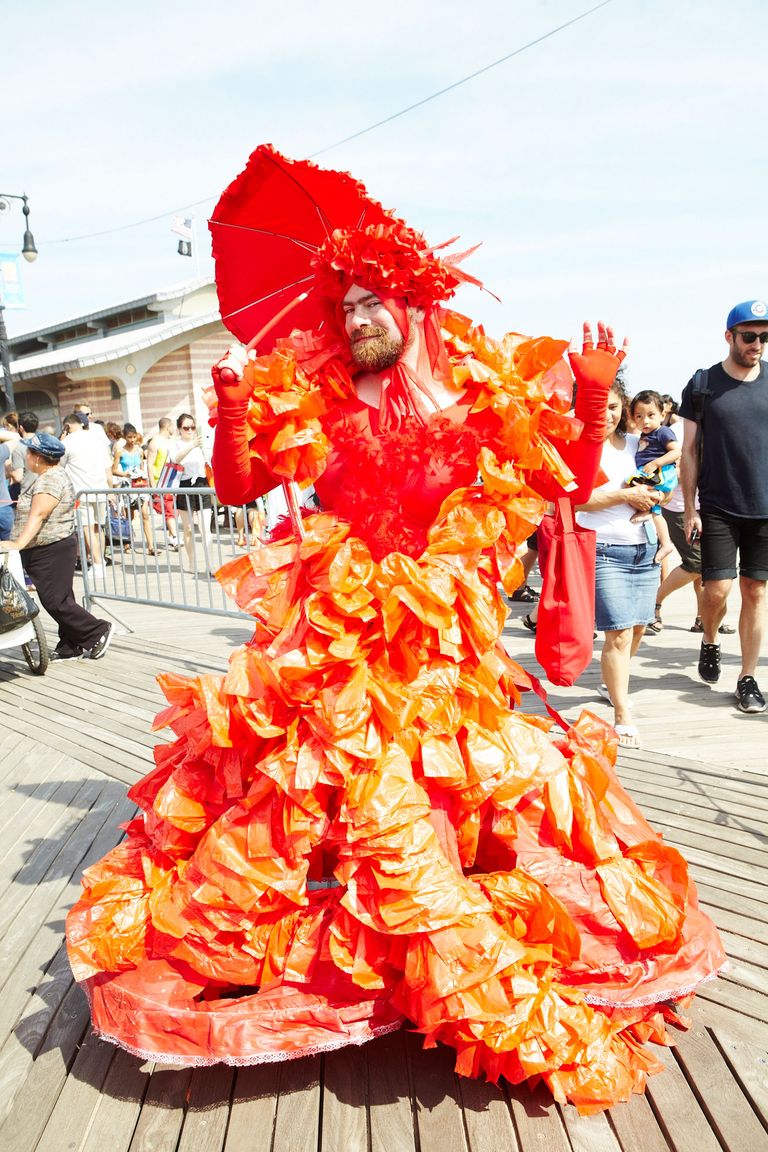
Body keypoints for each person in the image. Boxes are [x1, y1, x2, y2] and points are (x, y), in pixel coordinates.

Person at [66, 146, 724, 1115]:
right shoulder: (318, 397)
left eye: (372, 302)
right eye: (346, 307)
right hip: (331, 634)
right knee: (312, 793)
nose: (356, 319)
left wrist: (590, 395)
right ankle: (346, 964)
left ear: (415, 304)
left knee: (458, 790)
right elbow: (245, 486)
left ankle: (440, 962)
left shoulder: (476, 395)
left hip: (440, 638)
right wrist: (237, 418)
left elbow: (560, 481)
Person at [680, 299, 768, 714]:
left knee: (756, 590)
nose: (757, 344)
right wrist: (692, 508)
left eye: (764, 337)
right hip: (717, 504)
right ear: (729, 336)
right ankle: (710, 639)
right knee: (717, 590)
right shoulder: (703, 385)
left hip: (764, 506)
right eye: (749, 336)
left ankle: (747, 676)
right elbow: (689, 452)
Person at [576, 375, 660, 748]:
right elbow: (576, 501)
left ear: (623, 406)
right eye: (597, 408)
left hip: (645, 546)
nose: (606, 415)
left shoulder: (636, 444)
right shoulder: (577, 448)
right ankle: (622, 713)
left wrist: (655, 496)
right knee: (619, 633)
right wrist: (624, 495)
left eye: (612, 407)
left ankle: (613, 684)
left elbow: (661, 480)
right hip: (603, 548)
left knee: (638, 628)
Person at [0, 433, 112, 660]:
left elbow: (39, 514)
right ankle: (70, 644)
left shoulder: (50, 479)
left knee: (55, 601)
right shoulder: (47, 475)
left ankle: (97, 630)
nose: (26, 456)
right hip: (49, 546)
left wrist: (19, 543)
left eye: (30, 452)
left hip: (51, 547)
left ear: (38, 458)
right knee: (62, 597)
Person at [625, 389, 679, 561]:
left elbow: (676, 452)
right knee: (655, 511)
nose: (645, 421)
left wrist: (656, 463)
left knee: (630, 484)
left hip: (661, 473)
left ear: (662, 415)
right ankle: (664, 542)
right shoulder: (644, 435)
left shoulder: (663, 432)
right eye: (639, 416)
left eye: (650, 415)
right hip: (654, 473)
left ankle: (649, 517)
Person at [60, 412, 113, 575]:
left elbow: (59, 466)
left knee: (87, 527)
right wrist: (111, 490)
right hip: (101, 489)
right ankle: (101, 560)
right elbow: (108, 468)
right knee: (98, 527)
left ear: (68, 426)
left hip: (81, 492)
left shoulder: (67, 442)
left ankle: (97, 564)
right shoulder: (98, 439)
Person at [173, 412, 212, 573]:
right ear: (179, 429)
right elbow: (175, 459)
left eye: (192, 427)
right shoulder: (176, 444)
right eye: (186, 427)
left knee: (205, 527)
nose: (189, 430)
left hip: (201, 483)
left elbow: (211, 460)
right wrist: (192, 445)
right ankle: (192, 563)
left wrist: (204, 448)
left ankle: (210, 565)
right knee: (188, 528)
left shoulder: (202, 442)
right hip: (184, 485)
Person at [111, 423, 155, 555]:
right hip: (128, 486)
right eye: (129, 437)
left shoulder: (140, 450)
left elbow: (142, 466)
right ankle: (127, 543)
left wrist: (142, 476)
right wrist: (126, 474)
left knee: (145, 515)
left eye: (134, 437)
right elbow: (114, 470)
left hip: (140, 484)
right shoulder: (120, 452)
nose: (132, 439)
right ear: (125, 437)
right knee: (129, 516)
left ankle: (151, 546)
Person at [146, 417, 178, 548]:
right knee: (169, 510)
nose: (174, 429)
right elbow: (149, 464)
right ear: (167, 426)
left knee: (173, 510)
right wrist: (153, 485)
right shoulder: (155, 442)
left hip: (172, 480)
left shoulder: (171, 441)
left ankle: (171, 536)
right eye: (173, 426)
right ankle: (175, 537)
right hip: (161, 481)